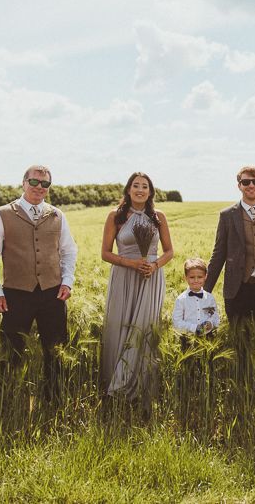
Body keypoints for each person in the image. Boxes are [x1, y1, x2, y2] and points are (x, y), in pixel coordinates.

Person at [0, 165, 78, 401]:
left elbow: (68, 251)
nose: (39, 187)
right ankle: (8, 403)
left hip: (53, 293)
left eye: (45, 184)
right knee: (11, 352)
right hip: (16, 293)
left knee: (55, 352)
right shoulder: (2, 213)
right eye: (34, 182)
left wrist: (67, 281)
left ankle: (54, 402)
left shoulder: (57, 214)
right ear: (24, 182)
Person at [101, 171, 173, 402]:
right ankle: (116, 386)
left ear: (150, 192)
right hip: (124, 276)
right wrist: (130, 263)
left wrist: (154, 265)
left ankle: (142, 388)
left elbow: (169, 251)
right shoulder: (116, 216)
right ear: (128, 190)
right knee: (120, 325)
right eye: (136, 185)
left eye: (145, 186)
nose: (140, 190)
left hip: (150, 278)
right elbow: (105, 253)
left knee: (144, 328)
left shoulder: (158, 216)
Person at [205, 166, 255, 341]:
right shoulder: (227, 215)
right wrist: (204, 291)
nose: (251, 185)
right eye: (246, 182)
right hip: (237, 287)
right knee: (239, 340)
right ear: (239, 185)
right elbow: (219, 253)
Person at [172, 258, 220, 336]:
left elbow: (215, 317)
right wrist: (195, 328)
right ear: (185, 277)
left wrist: (210, 324)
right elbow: (176, 322)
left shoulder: (210, 298)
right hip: (187, 338)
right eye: (192, 277)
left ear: (205, 277)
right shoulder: (181, 300)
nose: (196, 280)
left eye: (200, 277)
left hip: (208, 337)